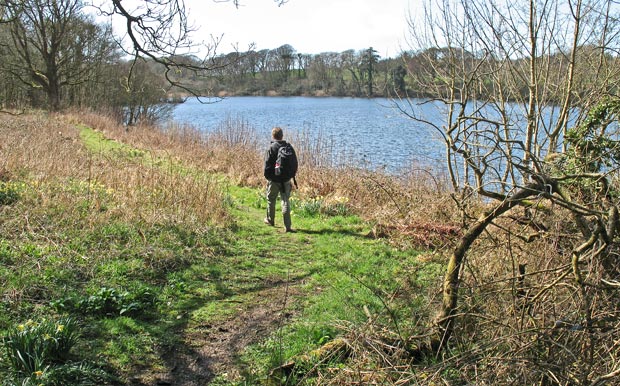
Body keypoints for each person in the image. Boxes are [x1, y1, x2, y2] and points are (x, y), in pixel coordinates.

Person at [264, 126, 295, 232]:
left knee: (271, 199)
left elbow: (267, 165)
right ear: (282, 135)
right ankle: (287, 226)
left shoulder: (271, 147)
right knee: (285, 201)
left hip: (274, 179)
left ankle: (270, 220)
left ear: (273, 136)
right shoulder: (288, 147)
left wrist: (268, 178)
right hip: (286, 179)